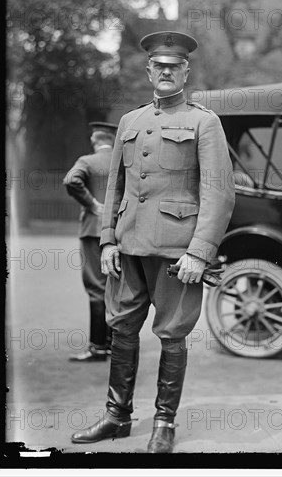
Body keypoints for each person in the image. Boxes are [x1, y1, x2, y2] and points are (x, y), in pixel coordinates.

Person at [70, 31, 235, 452]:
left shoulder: (204, 122)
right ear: (149, 71)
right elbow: (115, 188)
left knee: (172, 333)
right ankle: (115, 416)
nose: (165, 72)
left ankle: (164, 423)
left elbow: (219, 192)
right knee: (121, 329)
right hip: (127, 246)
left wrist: (200, 251)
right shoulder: (131, 121)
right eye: (158, 66)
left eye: (173, 66)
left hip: (178, 251)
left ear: (185, 71)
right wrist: (107, 240)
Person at [63, 122, 117, 362]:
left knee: (96, 288)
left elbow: (71, 181)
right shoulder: (122, 161)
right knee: (116, 288)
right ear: (112, 140)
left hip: (94, 231)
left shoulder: (87, 161)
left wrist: (92, 204)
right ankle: (115, 345)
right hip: (120, 232)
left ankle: (98, 347)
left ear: (95, 141)